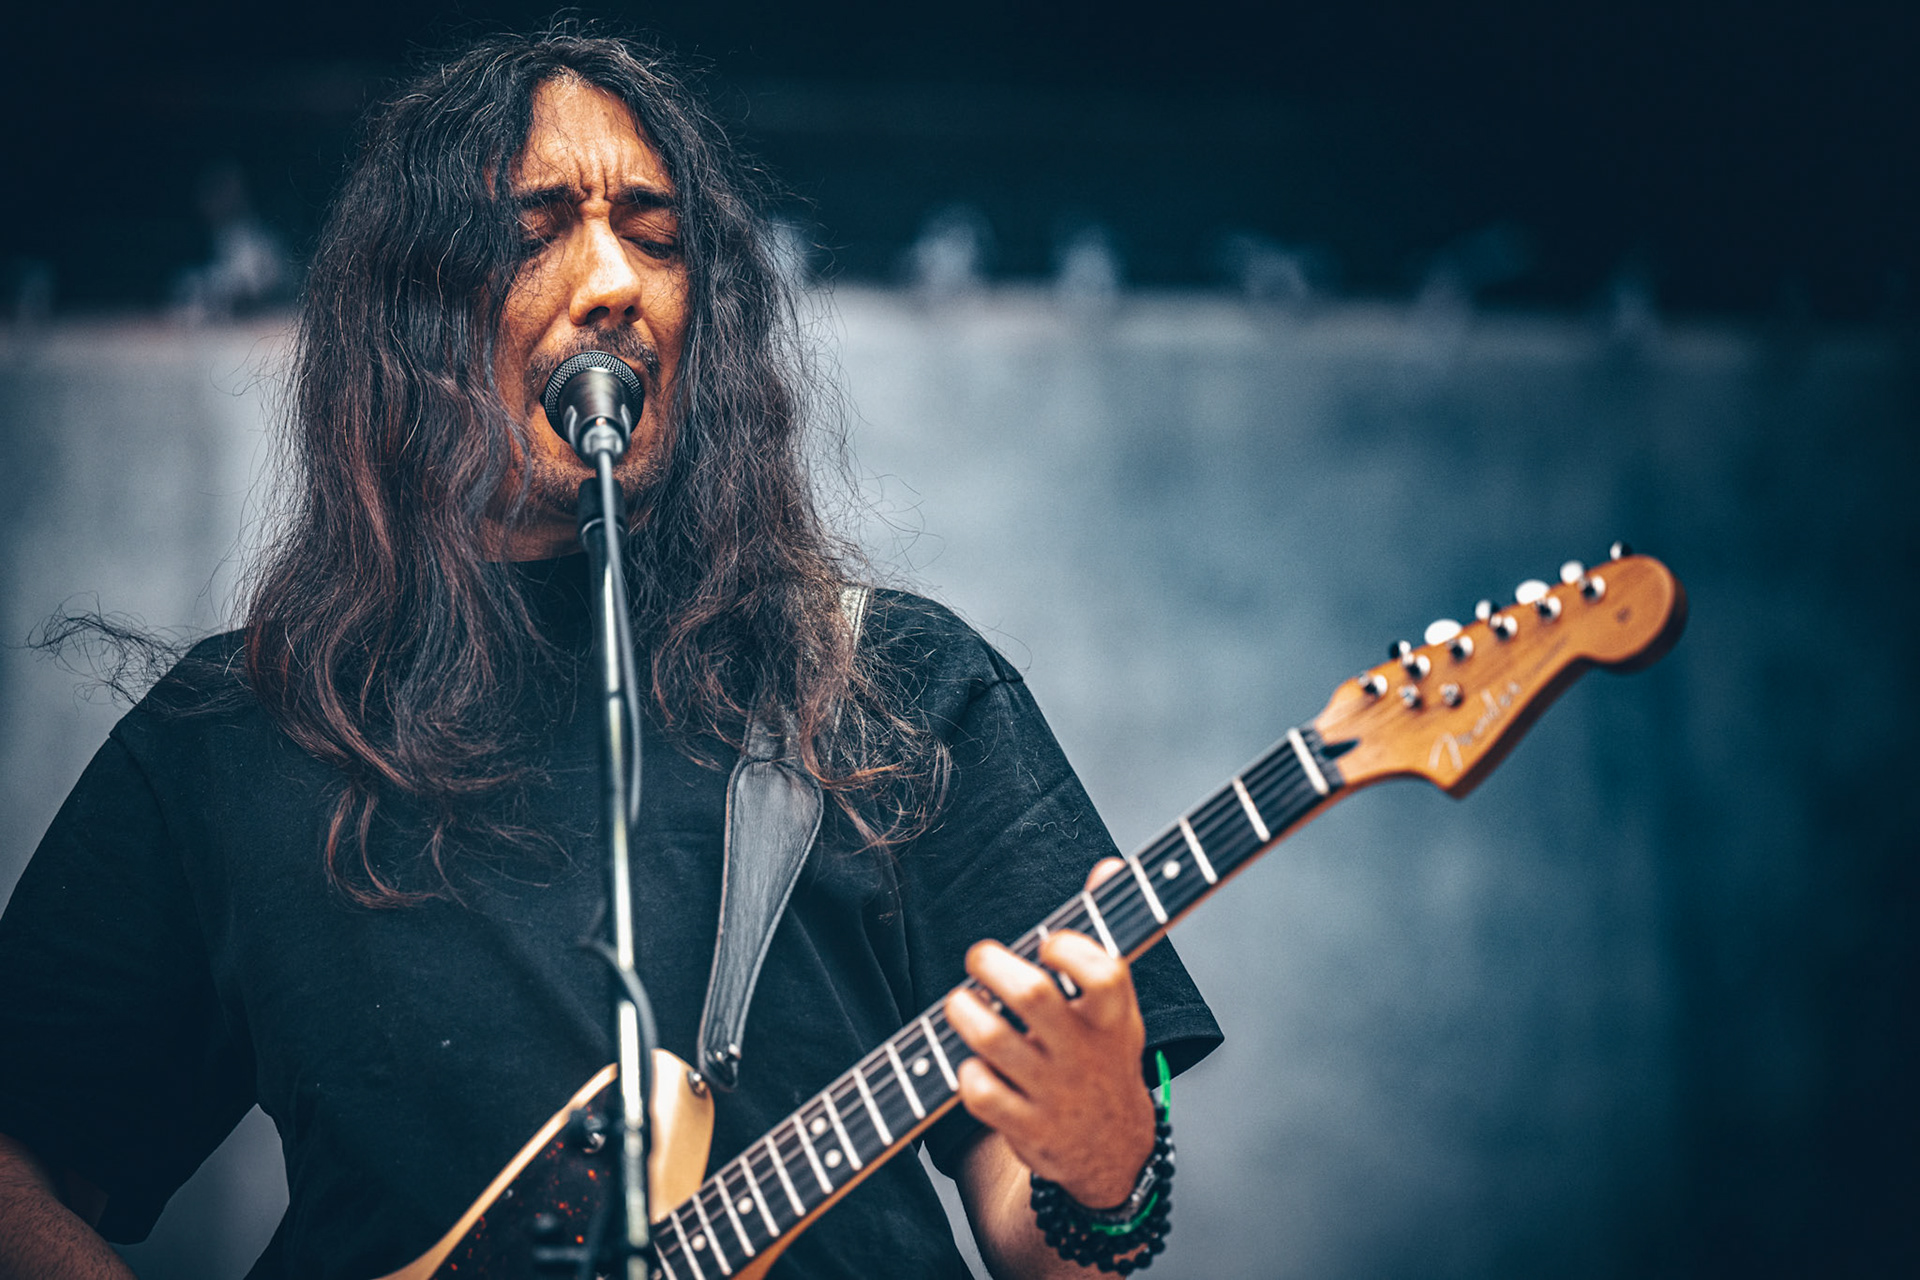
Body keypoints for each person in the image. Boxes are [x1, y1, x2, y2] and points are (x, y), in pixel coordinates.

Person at [0, 29, 1219, 1280]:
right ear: (409, 309)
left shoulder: (889, 685)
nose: (613, 282)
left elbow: (1055, 1236)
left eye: (655, 232)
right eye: (536, 231)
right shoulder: (243, 728)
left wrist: (1103, 1163)